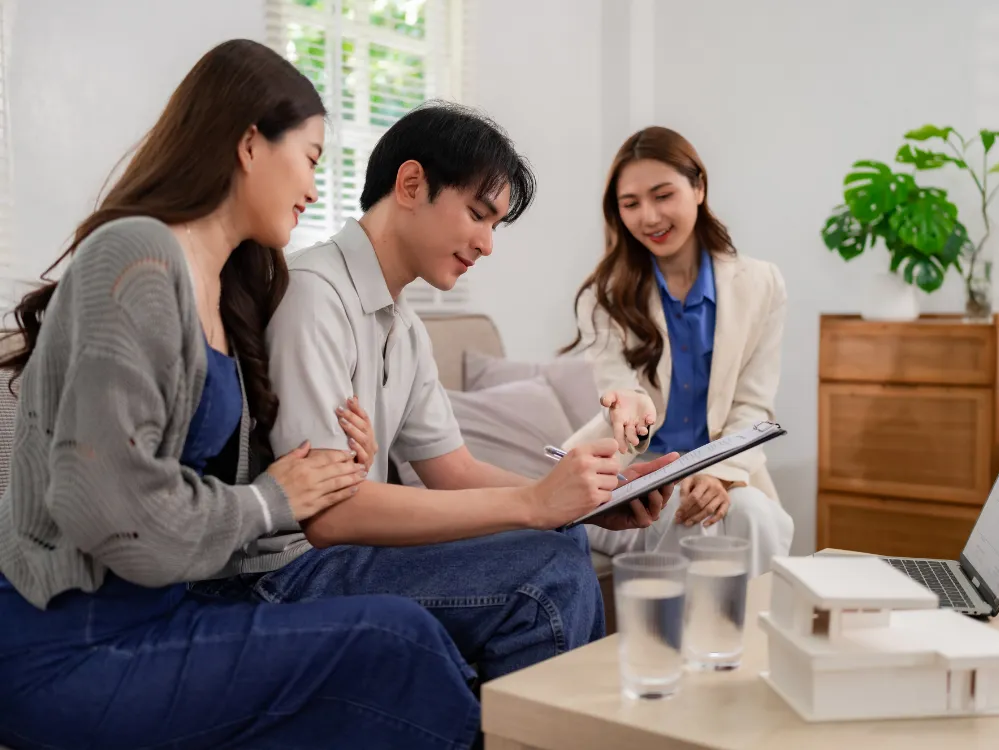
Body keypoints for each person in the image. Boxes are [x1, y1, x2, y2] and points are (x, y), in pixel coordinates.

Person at [0, 40, 481, 750]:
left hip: (165, 614)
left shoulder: (230, 288)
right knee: (395, 639)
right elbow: (102, 501)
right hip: (68, 645)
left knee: (407, 650)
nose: (316, 189)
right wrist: (271, 499)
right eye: (312, 158)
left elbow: (201, 487)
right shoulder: (135, 253)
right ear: (251, 142)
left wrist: (332, 471)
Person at [190, 101, 680, 686]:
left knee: (565, 540)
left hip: (337, 558)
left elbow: (452, 468)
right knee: (546, 572)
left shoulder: (404, 327)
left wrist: (577, 501)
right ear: (412, 183)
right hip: (282, 573)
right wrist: (533, 506)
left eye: (494, 225)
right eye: (478, 213)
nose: (487, 244)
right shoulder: (315, 295)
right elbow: (325, 514)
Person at [561, 126, 794, 577]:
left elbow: (753, 404)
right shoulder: (604, 297)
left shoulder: (762, 284)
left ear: (699, 187)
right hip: (640, 471)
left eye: (663, 195)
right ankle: (686, 643)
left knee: (748, 512)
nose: (649, 216)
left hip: (729, 467)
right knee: (689, 513)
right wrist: (672, 466)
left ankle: (739, 641)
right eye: (631, 204)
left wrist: (719, 472)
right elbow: (621, 399)